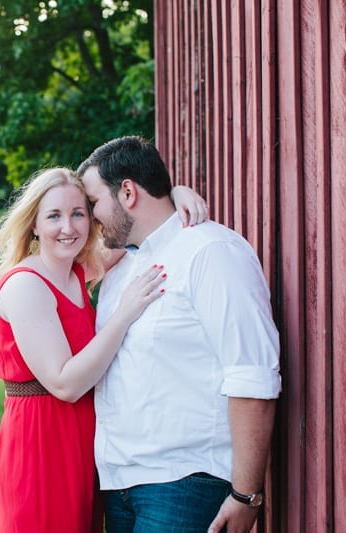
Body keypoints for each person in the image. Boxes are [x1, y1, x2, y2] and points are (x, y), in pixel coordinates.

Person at [0, 167, 207, 533]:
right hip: (39, 445)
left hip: (80, 445)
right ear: (34, 223)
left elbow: (140, 229)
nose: (68, 227)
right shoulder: (26, 286)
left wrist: (174, 195)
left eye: (78, 213)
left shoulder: (77, 272)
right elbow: (65, 384)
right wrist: (125, 312)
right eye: (54, 215)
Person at [77, 136, 282, 533]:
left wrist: (246, 494)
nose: (90, 216)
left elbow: (252, 374)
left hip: (184, 485)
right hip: (118, 485)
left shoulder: (211, 251)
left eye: (93, 202)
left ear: (128, 192)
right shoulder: (121, 268)